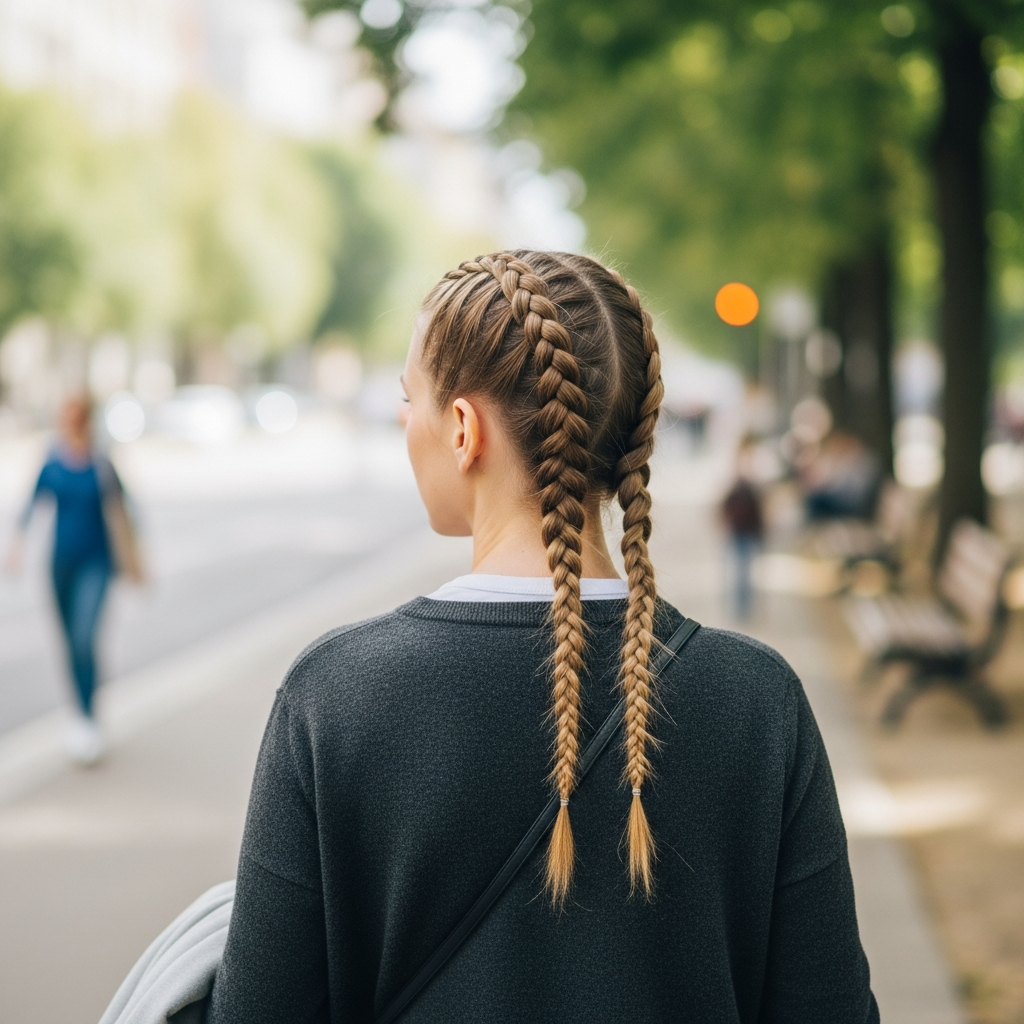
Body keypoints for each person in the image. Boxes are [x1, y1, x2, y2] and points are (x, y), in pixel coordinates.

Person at [207, 252, 878, 1023]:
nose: (403, 421)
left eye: (408, 398)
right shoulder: (760, 702)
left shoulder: (334, 696)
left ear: (463, 429)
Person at [7, 395, 132, 764]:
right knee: (67, 643)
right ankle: (80, 715)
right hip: (60, 564)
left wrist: (136, 558)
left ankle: (90, 717)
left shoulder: (101, 461)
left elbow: (124, 507)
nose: (71, 423)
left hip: (98, 563)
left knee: (83, 638)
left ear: (87, 420)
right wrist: (17, 544)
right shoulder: (52, 459)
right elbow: (32, 502)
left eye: (77, 417)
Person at [721, 435, 765, 620]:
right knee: (742, 567)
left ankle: (743, 605)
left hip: (747, 523)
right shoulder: (742, 471)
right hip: (743, 523)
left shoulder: (753, 468)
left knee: (744, 566)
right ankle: (741, 606)